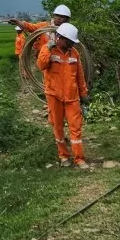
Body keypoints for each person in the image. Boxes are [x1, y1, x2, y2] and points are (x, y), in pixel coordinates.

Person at [36, 21, 90, 169]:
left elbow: (80, 76)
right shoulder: (48, 51)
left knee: (76, 127)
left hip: (72, 97)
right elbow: (41, 65)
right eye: (70, 41)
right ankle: (63, 156)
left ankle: (79, 159)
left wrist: (84, 94)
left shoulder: (75, 54)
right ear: (61, 38)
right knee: (58, 127)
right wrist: (47, 48)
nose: (72, 44)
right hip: (54, 96)